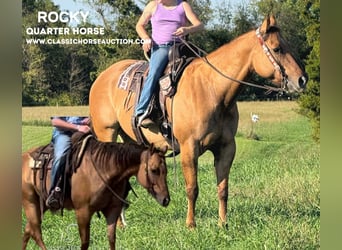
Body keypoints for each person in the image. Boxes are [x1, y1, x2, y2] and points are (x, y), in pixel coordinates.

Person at [135, 0, 204, 127]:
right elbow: (139, 25)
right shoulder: (153, 5)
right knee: (154, 73)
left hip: (180, 47)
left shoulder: (183, 6)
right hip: (161, 48)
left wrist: (187, 29)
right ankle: (141, 111)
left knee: (203, 69)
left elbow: (200, 25)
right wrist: (145, 38)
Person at [46, 116, 91, 209]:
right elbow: (55, 121)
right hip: (64, 133)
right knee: (60, 156)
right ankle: (54, 191)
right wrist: (78, 127)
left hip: (87, 131)